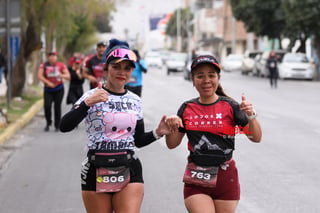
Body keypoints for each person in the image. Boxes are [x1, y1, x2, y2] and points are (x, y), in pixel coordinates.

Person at [59, 38, 170, 213]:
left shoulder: (135, 100)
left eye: (127, 68)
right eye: (116, 67)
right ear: (106, 68)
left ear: (132, 71)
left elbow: (138, 140)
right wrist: (88, 103)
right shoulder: (92, 95)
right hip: (96, 166)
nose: (122, 72)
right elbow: (64, 126)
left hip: (128, 165)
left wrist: (158, 132)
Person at [164, 55, 262, 213]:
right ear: (193, 80)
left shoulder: (231, 106)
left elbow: (256, 138)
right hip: (197, 177)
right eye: (200, 76)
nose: (206, 80)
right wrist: (171, 127)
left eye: (211, 75)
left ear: (218, 78)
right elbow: (172, 144)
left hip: (226, 176)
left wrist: (251, 115)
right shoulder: (186, 108)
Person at [38, 51, 70, 132]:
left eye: (54, 56)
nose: (52, 57)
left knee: (57, 106)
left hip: (59, 89)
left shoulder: (61, 65)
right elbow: (40, 75)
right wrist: (48, 83)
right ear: (48, 57)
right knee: (47, 106)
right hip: (48, 89)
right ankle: (48, 122)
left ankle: (57, 124)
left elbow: (68, 76)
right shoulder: (44, 65)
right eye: (50, 56)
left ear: (57, 57)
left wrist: (61, 75)